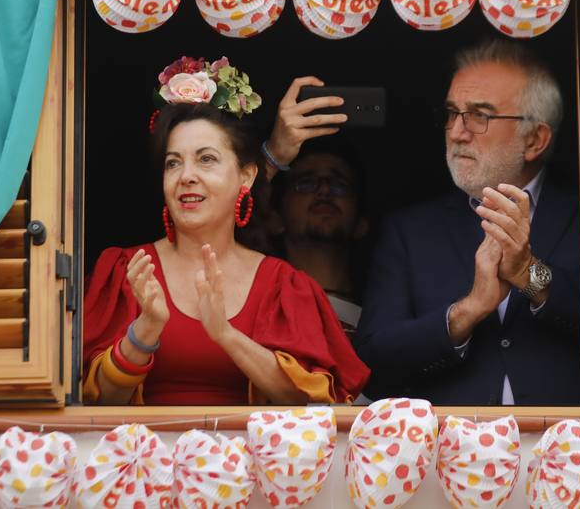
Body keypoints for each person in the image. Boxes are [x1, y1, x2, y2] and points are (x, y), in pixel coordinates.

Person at [81, 57, 369, 405]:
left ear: (246, 176)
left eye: (206, 159)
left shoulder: (283, 284)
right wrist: (145, 330)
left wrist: (225, 334)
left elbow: (307, 403)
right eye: (173, 163)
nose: (186, 175)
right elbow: (97, 404)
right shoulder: (127, 270)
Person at [342, 40, 580, 404]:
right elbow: (371, 364)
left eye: (479, 115)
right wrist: (466, 312)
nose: (456, 132)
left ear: (535, 139)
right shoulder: (410, 231)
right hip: (448, 452)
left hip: (574, 447)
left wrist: (530, 275)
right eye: (452, 113)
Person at [273, 139, 370, 333]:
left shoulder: (384, 318)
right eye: (306, 183)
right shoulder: (257, 307)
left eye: (339, 185)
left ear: (362, 224)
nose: (324, 190)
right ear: (276, 219)